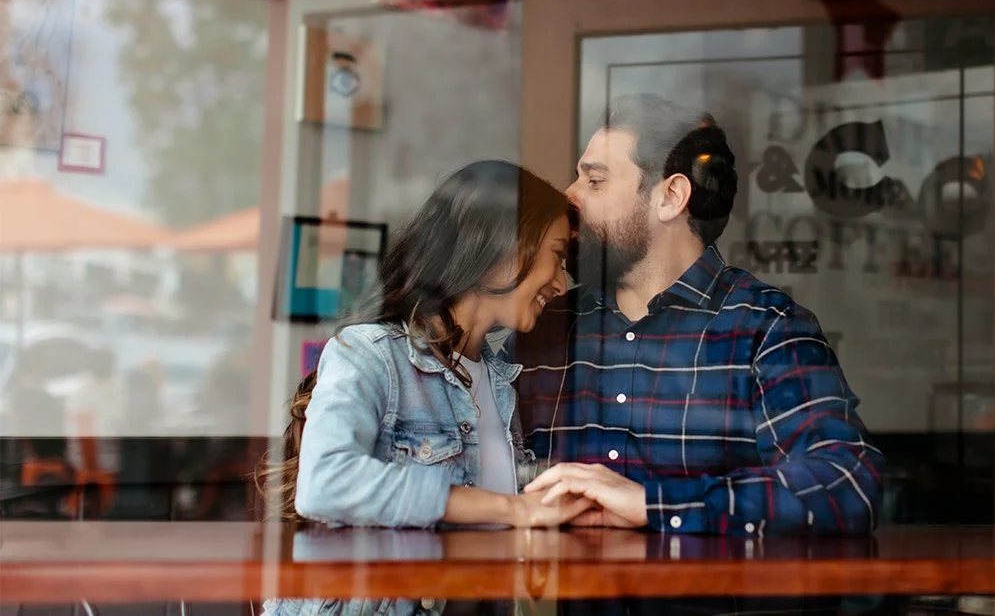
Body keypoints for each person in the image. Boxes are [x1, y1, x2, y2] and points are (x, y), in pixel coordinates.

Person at [516, 94, 884, 536]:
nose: (568, 196)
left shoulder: (765, 329)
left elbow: (847, 483)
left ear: (671, 196)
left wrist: (656, 505)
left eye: (594, 181)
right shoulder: (542, 328)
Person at [260, 161, 594, 531]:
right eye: (557, 256)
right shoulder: (371, 354)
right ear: (503, 249)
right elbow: (324, 484)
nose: (562, 284)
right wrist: (512, 509)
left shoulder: (501, 381)